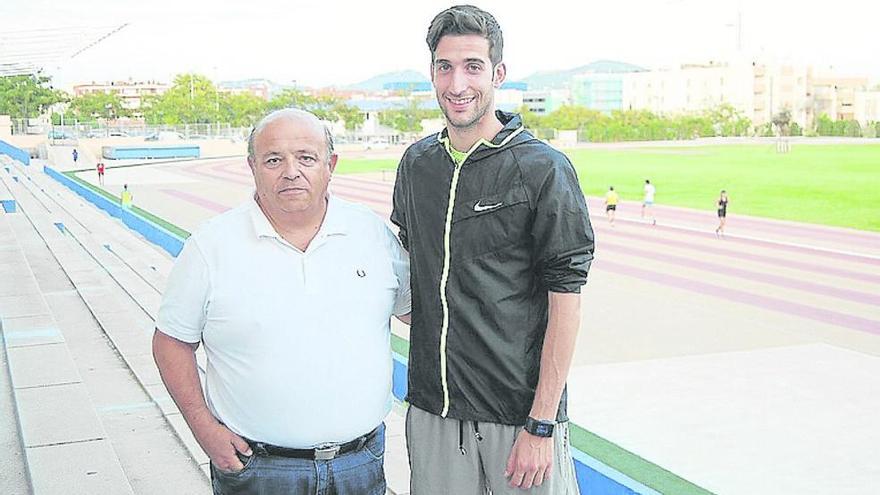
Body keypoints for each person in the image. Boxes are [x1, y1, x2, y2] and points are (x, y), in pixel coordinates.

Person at [152, 108, 411, 495]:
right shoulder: (211, 246)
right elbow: (171, 342)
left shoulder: (372, 235)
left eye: (306, 157)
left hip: (360, 465)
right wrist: (202, 427)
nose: (291, 171)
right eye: (274, 159)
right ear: (253, 166)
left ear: (331, 164)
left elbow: (416, 312)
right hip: (257, 470)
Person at [391, 6, 594, 494]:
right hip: (434, 411)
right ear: (433, 73)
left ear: (498, 73)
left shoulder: (544, 169)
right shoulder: (418, 165)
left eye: (472, 66)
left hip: (517, 419)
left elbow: (565, 301)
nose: (457, 83)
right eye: (445, 67)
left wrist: (542, 424)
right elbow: (406, 273)